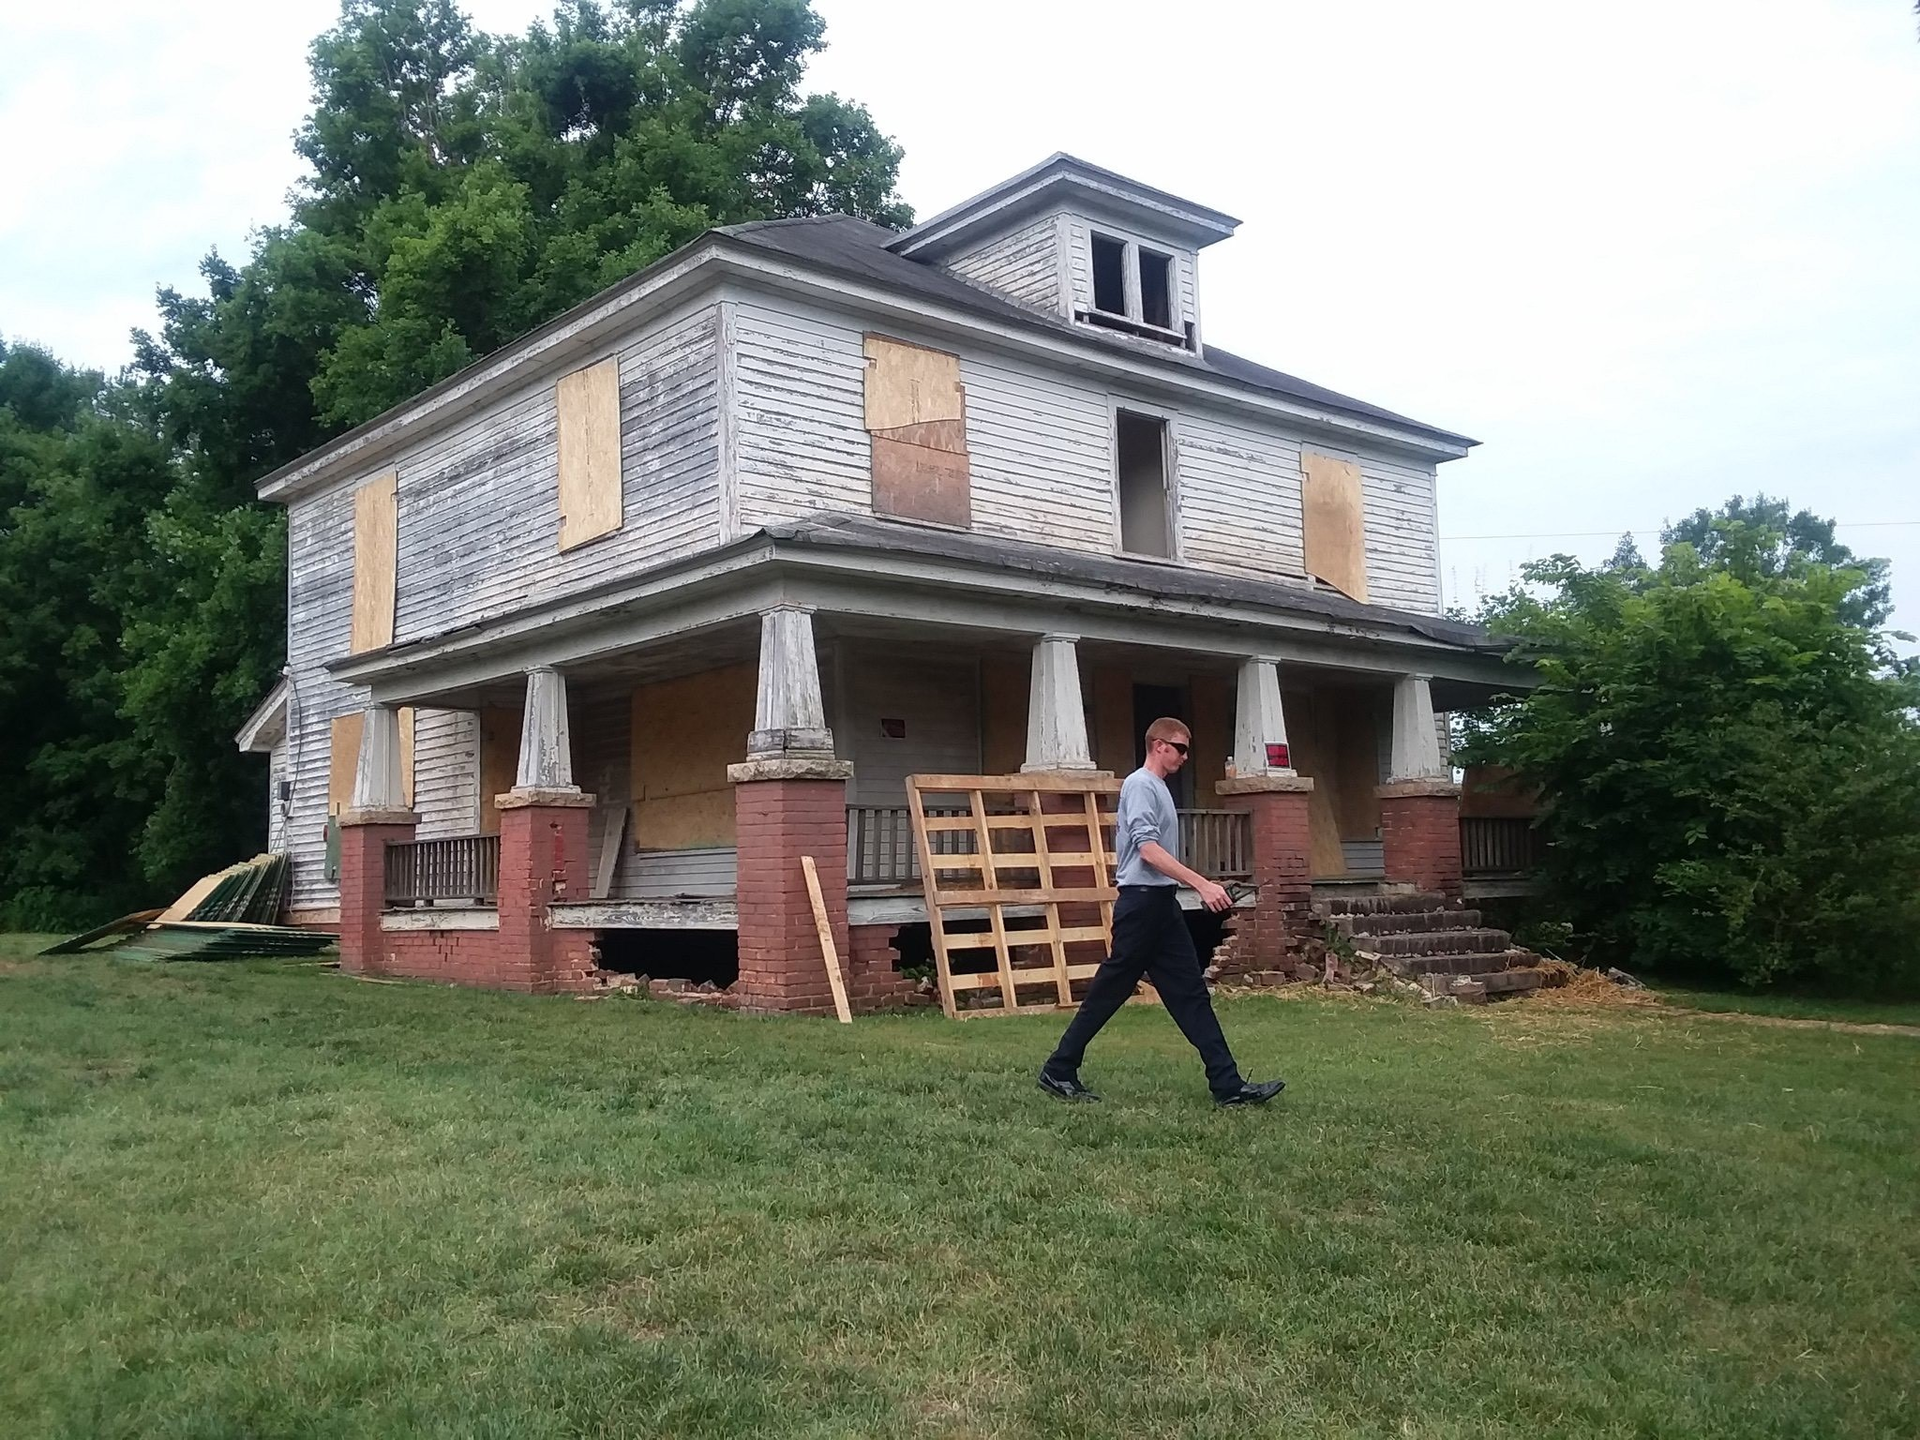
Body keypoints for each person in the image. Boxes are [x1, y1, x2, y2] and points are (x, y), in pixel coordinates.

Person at [1038, 716, 1286, 1107]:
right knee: (1109, 992)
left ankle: (1228, 1086)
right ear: (1159, 746)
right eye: (1181, 748)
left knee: (1190, 994)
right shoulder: (1140, 785)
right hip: (1140, 905)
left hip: (1161, 905)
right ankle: (1058, 1068)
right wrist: (1202, 884)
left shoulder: (1160, 790)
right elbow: (1147, 850)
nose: (1185, 757)